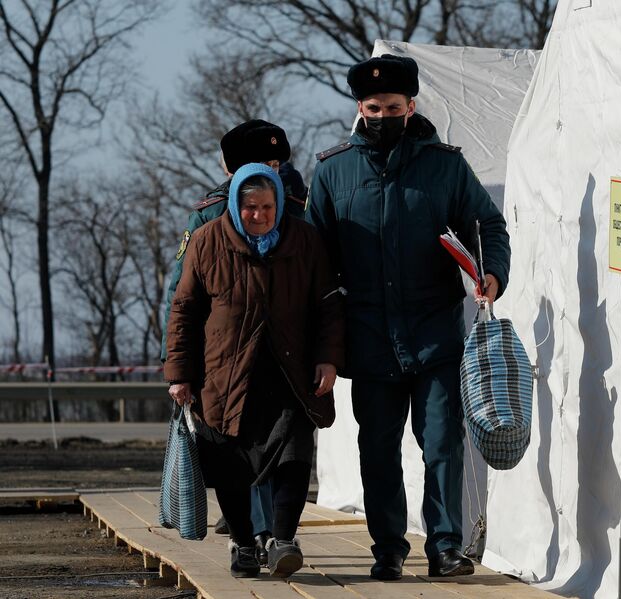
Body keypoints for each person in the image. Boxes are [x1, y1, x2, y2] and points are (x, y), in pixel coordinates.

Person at [307, 54, 511, 580]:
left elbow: (487, 224)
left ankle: (445, 547)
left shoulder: (445, 166)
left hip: (435, 333)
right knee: (377, 451)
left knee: (443, 443)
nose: (382, 115)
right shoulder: (332, 171)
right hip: (369, 339)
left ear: (411, 106)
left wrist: (491, 274)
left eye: (392, 107)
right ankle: (389, 549)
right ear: (359, 108)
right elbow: (312, 259)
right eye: (373, 107)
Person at [164, 162, 344, 578]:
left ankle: (282, 540)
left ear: (279, 204)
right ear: (234, 205)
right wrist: (179, 373)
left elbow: (329, 305)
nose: (259, 215)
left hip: (290, 372)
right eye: (249, 208)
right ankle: (244, 544)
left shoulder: (305, 240)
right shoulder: (207, 241)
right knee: (228, 462)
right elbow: (184, 310)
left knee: (295, 454)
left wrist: (328, 358)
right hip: (224, 374)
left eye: (266, 206)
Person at [160, 119, 307, 563]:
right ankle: (252, 535)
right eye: (258, 163)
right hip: (224, 357)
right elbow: (181, 295)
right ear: (230, 169)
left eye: (276, 162)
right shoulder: (210, 216)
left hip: (283, 354)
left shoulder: (303, 208)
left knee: (281, 448)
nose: (269, 170)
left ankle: (268, 536)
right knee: (234, 453)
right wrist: (180, 364)